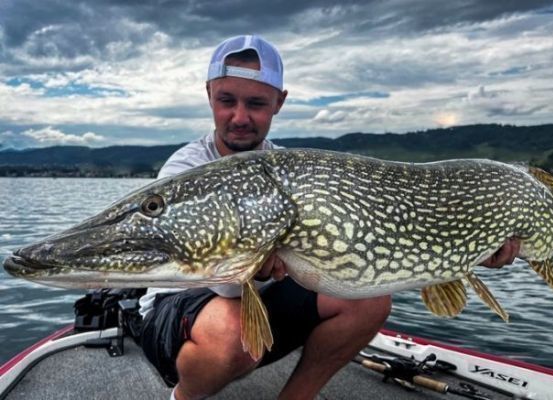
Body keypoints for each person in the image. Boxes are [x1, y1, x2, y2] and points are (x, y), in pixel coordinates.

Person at [138, 35, 521, 400]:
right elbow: (205, 270)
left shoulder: (290, 168)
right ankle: (183, 395)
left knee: (370, 300)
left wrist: (470, 244)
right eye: (227, 100)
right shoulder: (186, 169)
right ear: (208, 95)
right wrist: (252, 263)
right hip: (180, 311)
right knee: (230, 333)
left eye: (256, 103)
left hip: (257, 305)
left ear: (279, 102)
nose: (239, 117)